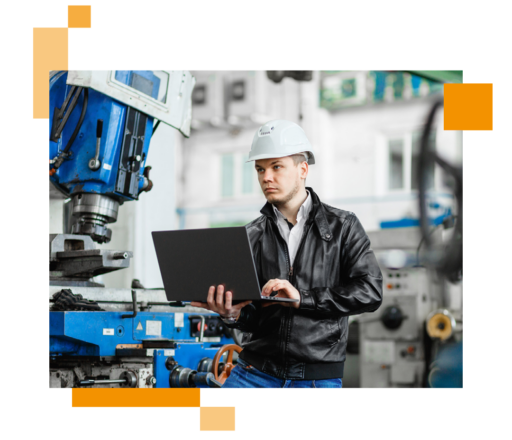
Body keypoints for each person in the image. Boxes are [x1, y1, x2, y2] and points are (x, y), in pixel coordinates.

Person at [191, 119, 383, 389]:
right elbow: (254, 314)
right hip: (254, 372)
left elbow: (370, 292)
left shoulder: (343, 226)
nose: (266, 177)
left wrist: (302, 299)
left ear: (302, 169)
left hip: (315, 378)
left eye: (276, 167)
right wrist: (232, 314)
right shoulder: (251, 235)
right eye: (260, 169)